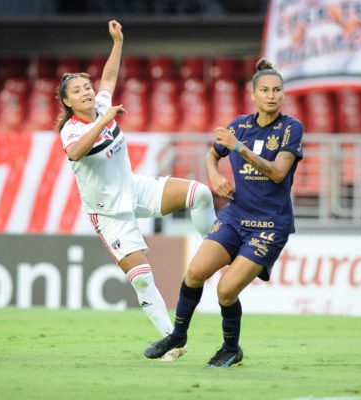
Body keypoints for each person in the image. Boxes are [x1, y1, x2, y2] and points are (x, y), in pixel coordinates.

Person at [56, 20, 216, 359]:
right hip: (109, 212)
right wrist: (103, 120)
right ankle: (173, 340)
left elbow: (110, 77)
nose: (87, 91)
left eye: (87, 86)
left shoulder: (101, 104)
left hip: (135, 187)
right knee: (142, 278)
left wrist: (117, 42)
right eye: (78, 90)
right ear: (68, 103)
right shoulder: (71, 130)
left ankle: (216, 246)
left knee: (199, 193)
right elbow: (74, 152)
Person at [144, 59, 304, 367]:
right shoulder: (240, 125)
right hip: (235, 216)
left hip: (269, 226)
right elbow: (211, 153)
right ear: (253, 94)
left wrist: (239, 148)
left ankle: (231, 348)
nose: (272, 95)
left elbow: (277, 173)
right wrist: (214, 176)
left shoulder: (290, 128)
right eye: (265, 90)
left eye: (277, 90)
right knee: (194, 273)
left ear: (283, 94)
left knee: (226, 290)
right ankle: (178, 335)